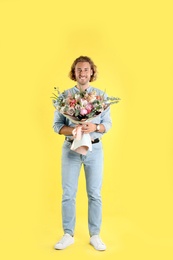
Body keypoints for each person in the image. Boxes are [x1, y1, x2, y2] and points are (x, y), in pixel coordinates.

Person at [53, 56, 112, 251]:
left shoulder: (101, 97)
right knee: (68, 194)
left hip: (95, 149)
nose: (83, 73)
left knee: (94, 194)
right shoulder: (64, 97)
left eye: (86, 69)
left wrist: (94, 126)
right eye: (79, 70)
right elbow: (57, 126)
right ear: (74, 72)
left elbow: (108, 125)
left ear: (92, 72)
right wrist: (75, 129)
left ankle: (95, 235)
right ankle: (68, 234)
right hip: (70, 149)